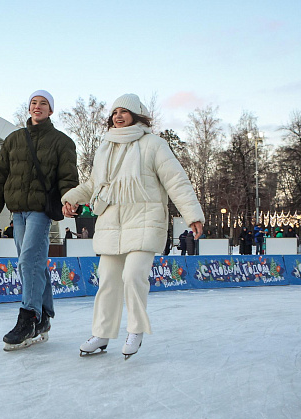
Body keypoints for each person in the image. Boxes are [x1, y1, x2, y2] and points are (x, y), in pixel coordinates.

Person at [62, 94, 204, 359]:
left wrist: (192, 214)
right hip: (112, 224)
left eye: (124, 111)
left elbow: (176, 180)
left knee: (133, 275)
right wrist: (71, 197)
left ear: (137, 115)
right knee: (107, 280)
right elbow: (94, 185)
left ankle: (135, 330)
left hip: (144, 220)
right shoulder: (105, 147)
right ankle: (102, 334)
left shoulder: (153, 144)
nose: (118, 115)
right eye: (115, 111)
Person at [0, 89, 79, 351]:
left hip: (40, 211)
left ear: (51, 111)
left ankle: (29, 317)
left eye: (44, 103)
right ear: (29, 109)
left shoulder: (62, 142)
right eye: (34, 103)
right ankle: (45, 316)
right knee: (34, 263)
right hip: (18, 212)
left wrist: (71, 200)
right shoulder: (14, 140)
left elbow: (68, 179)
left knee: (28, 261)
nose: (38, 107)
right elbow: (0, 176)